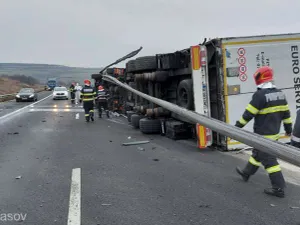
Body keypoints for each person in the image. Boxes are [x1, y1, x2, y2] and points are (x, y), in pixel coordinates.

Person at [235, 66, 293, 198]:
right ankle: (246, 173)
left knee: (269, 161)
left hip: (263, 135)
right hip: (274, 134)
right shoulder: (280, 94)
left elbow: (248, 114)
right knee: (257, 153)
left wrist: (237, 127)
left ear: (260, 77)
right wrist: (288, 130)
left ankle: (279, 188)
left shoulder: (259, 95)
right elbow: (287, 115)